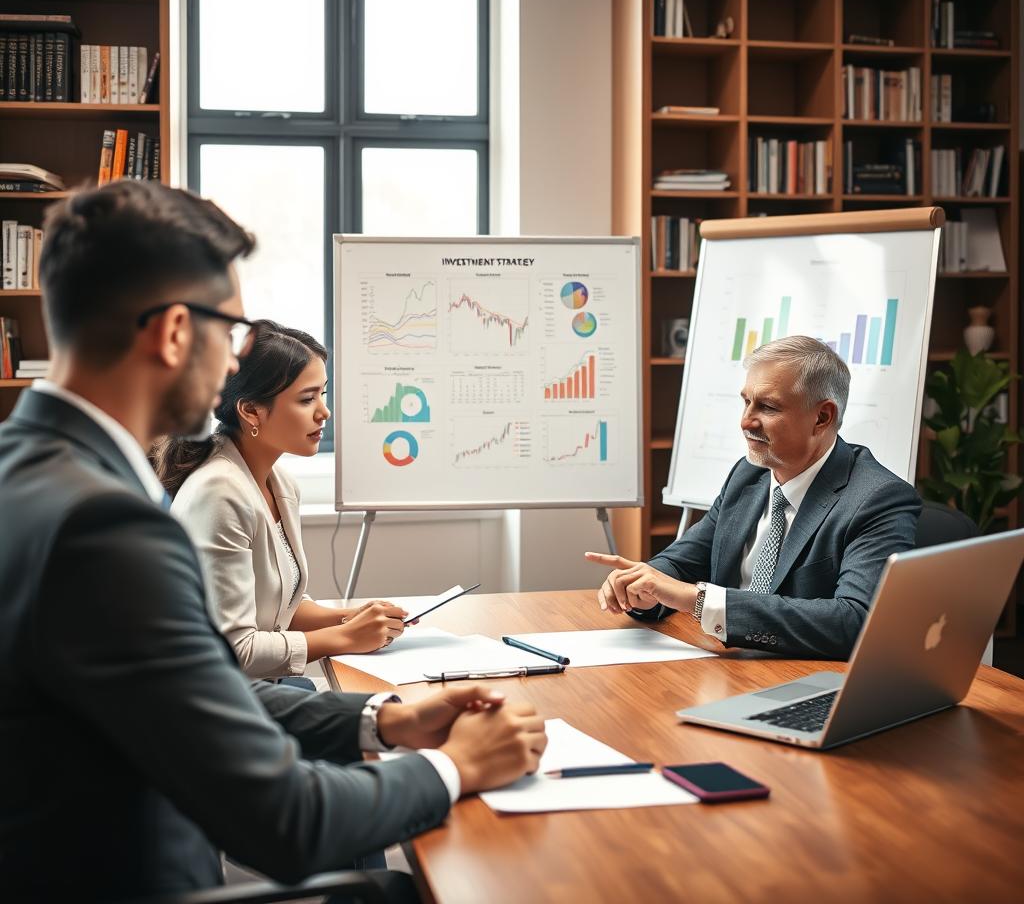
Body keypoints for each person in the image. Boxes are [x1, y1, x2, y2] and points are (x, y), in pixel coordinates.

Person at [0, 180, 547, 902]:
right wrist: (457, 767)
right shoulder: (104, 526)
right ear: (171, 333)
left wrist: (383, 719)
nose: (231, 364)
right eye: (229, 332)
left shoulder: (27, 469)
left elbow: (194, 692)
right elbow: (285, 821)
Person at [588, 335, 921, 660]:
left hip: (805, 687)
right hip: (723, 668)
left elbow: (855, 622)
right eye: (746, 401)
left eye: (768, 407)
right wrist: (643, 589)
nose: (746, 421)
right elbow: (682, 562)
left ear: (822, 417)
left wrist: (700, 601)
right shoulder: (747, 475)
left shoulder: (878, 499)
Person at [154, 321, 407, 681]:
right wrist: (345, 636)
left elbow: (277, 607)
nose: (324, 412)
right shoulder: (219, 494)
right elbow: (235, 650)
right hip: (226, 701)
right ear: (252, 412)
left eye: (324, 394)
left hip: (267, 687)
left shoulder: (278, 483)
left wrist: (354, 617)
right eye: (307, 399)